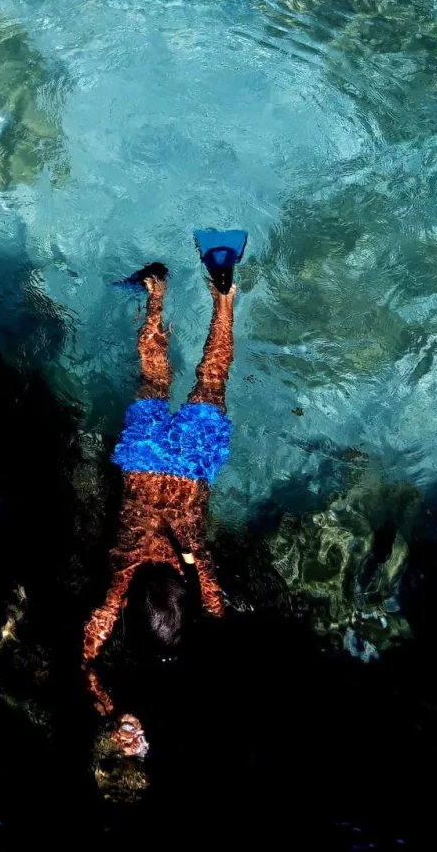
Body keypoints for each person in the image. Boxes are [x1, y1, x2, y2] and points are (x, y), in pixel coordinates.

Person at [81, 230, 246, 757]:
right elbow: (86, 655)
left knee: (213, 380)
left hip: (191, 472)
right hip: (145, 463)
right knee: (153, 376)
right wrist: (109, 707)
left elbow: (215, 610)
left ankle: (224, 295)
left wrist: (192, 557)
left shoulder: (198, 578)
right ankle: (155, 292)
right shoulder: (123, 578)